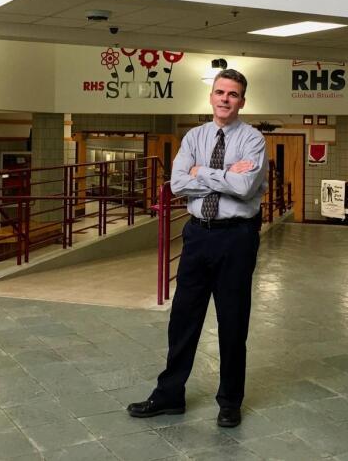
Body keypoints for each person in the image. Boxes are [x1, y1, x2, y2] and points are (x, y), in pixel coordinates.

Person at [127, 68, 268, 428]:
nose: (225, 99)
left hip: (236, 238)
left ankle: (230, 401)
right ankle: (170, 395)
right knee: (183, 318)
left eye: (233, 94)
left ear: (242, 101)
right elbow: (176, 184)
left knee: (233, 321)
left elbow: (245, 187)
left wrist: (199, 174)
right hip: (198, 235)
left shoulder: (253, 140)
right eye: (220, 92)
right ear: (211, 97)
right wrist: (221, 174)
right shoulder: (194, 136)